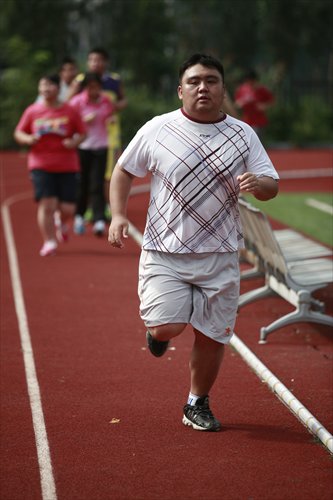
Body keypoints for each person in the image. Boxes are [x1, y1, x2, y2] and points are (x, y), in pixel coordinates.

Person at [108, 53, 279, 432]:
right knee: (169, 326)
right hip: (164, 252)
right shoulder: (157, 128)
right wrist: (119, 215)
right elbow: (123, 170)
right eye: (195, 81)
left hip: (220, 254)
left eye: (212, 81)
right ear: (180, 89)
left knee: (213, 333)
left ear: (223, 89)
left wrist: (259, 185)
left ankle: (196, 403)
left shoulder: (242, 134)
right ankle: (157, 333)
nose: (204, 87)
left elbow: (271, 185)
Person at [14, 74, 86, 256]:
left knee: (68, 209)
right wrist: (28, 138)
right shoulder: (32, 111)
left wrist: (74, 143)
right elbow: (19, 133)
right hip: (40, 164)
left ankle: (61, 221)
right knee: (47, 204)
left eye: (50, 86)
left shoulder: (69, 111)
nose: (46, 89)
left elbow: (83, 133)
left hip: (67, 165)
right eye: (42, 86)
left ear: (58, 89)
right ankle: (49, 241)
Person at [69, 47, 128, 214]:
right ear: (88, 62)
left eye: (99, 60)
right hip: (86, 134)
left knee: (109, 171)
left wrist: (112, 108)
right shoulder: (81, 80)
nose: (96, 63)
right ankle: (89, 207)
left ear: (106, 62)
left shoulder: (114, 80)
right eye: (92, 60)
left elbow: (124, 101)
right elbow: (69, 103)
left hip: (110, 132)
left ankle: (105, 206)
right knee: (86, 172)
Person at [69, 72, 115, 236]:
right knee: (82, 183)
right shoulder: (76, 102)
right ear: (85, 87)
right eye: (89, 87)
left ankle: (99, 219)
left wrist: (110, 121)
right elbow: (69, 123)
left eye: (95, 87)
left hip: (101, 146)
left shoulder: (105, 101)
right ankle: (79, 216)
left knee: (97, 183)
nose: (92, 90)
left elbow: (110, 116)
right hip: (83, 146)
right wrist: (83, 121)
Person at [234, 69, 274, 138]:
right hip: (246, 122)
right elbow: (236, 104)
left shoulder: (262, 90)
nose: (250, 83)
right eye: (248, 81)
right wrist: (242, 103)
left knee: (256, 142)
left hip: (259, 122)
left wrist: (264, 106)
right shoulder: (242, 89)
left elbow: (272, 102)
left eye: (252, 81)